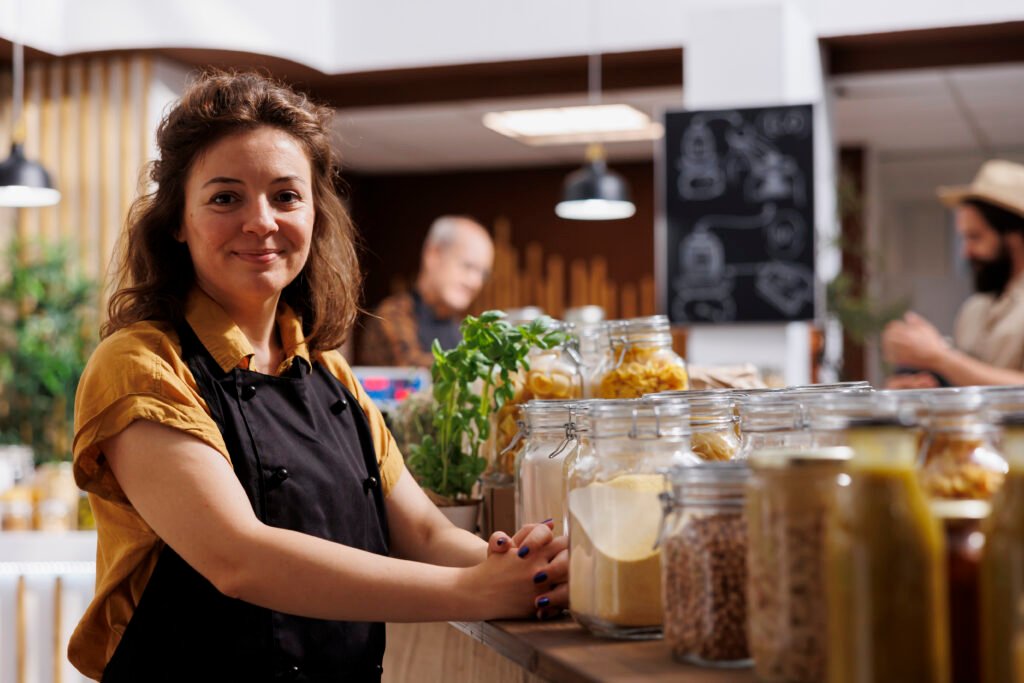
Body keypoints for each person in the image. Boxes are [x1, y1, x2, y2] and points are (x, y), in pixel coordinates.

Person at [69, 71, 566, 682]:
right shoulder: (140, 364)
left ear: (314, 212)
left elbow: (427, 533)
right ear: (177, 219)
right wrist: (477, 593)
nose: (261, 221)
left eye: (285, 196)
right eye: (225, 197)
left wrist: (529, 570)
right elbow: (239, 558)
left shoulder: (329, 371)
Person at [883, 159, 1024, 387]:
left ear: (1014, 236)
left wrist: (941, 358)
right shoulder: (974, 310)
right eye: (963, 238)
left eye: (975, 237)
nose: (965, 252)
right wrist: (928, 387)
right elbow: (971, 390)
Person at [359, 216, 494, 366]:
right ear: (433, 254)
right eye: (467, 266)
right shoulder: (391, 315)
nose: (475, 282)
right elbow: (410, 370)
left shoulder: (462, 331)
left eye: (483, 274)